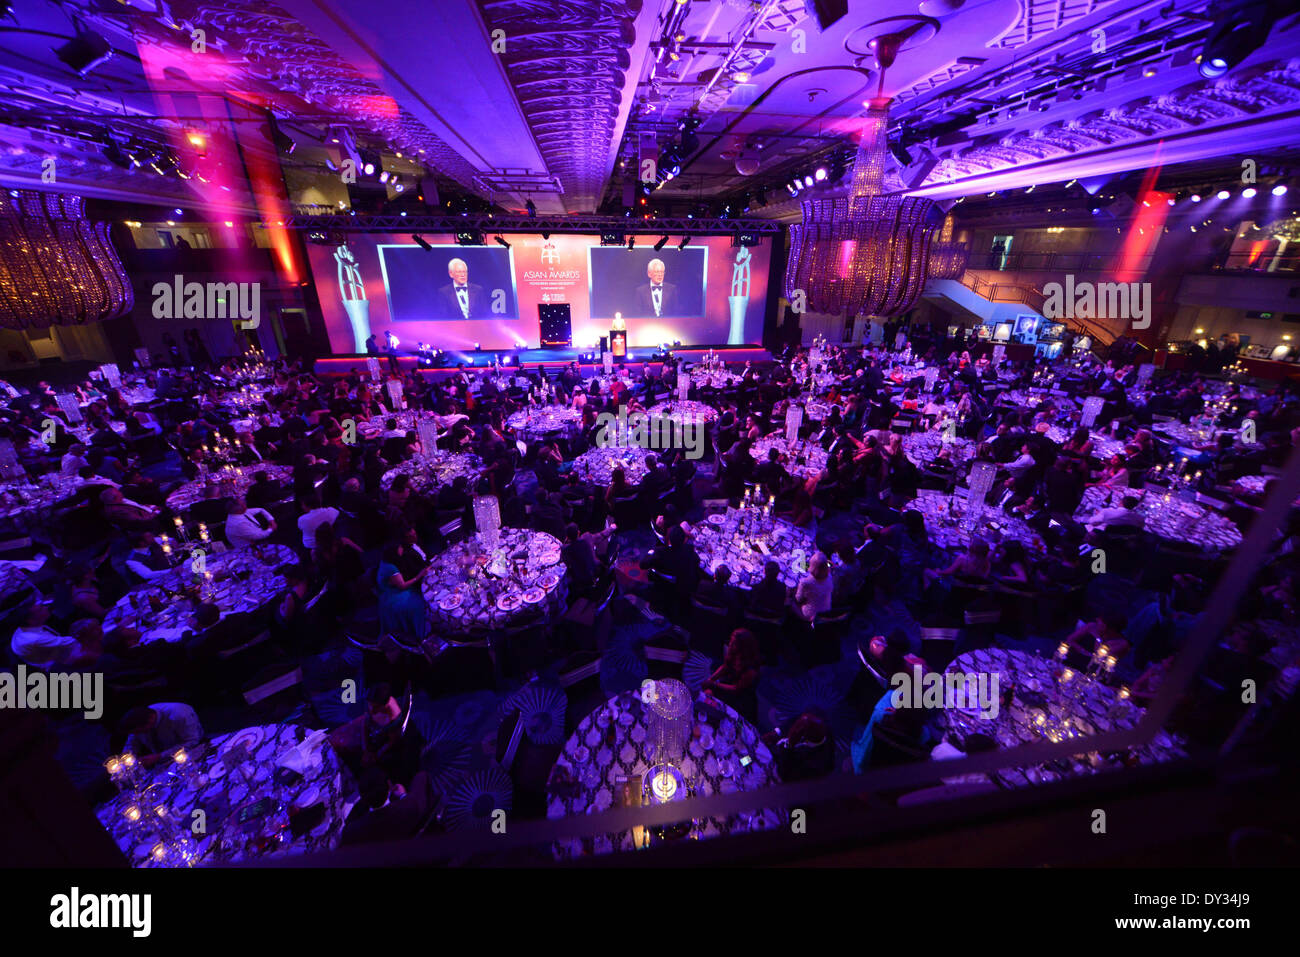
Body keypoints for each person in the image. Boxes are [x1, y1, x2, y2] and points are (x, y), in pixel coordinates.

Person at [340, 767, 437, 846]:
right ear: (389, 785)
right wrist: (403, 796)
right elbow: (422, 777)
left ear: (362, 797)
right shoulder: (409, 806)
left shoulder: (355, 830)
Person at [117, 702, 203, 767]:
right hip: (164, 763)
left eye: (139, 732)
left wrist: (159, 756)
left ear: (150, 720)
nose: (137, 735)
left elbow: (192, 742)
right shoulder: (139, 723)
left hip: (194, 753)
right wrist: (124, 760)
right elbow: (131, 744)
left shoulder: (179, 715)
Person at [377, 535, 429, 640]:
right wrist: (419, 576)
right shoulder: (391, 568)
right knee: (418, 604)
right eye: (399, 547)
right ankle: (423, 634)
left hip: (391, 590)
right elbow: (402, 586)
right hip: (395, 595)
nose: (401, 548)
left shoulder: (387, 561)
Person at [703, 628, 761, 722]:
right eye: (731, 641)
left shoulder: (751, 670)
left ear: (743, 647)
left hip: (741, 695)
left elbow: (737, 689)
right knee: (708, 694)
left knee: (723, 715)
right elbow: (726, 666)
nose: (730, 644)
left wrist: (715, 684)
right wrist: (711, 679)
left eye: (734, 643)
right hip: (730, 681)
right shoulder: (734, 652)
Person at [9, 600, 78, 668]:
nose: (46, 607)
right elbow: (71, 642)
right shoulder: (34, 638)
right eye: (41, 608)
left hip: (52, 651)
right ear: (31, 620)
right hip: (57, 664)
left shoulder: (28, 626)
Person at [794, 553, 834, 621]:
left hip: (811, 616)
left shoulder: (805, 582)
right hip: (826, 611)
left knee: (790, 602)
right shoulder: (830, 577)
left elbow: (798, 599)